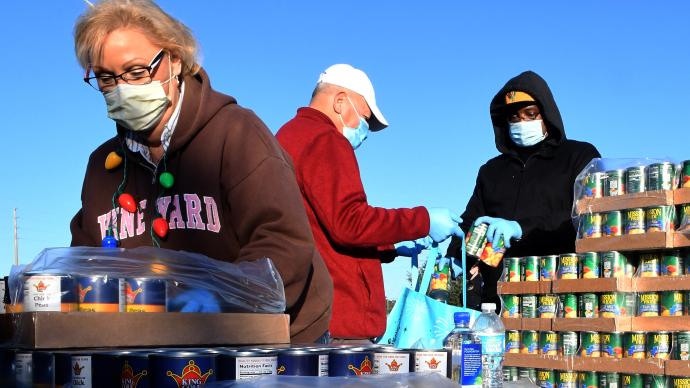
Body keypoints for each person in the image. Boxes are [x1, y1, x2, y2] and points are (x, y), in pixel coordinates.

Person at [69, 0, 332, 343]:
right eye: (106, 78)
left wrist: (224, 299)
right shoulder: (102, 166)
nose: (123, 89)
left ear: (175, 60)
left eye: (136, 72)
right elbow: (84, 261)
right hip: (154, 345)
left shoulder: (237, 134)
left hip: (270, 342)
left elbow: (284, 242)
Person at [276, 64, 463, 342]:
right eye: (363, 119)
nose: (363, 131)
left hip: (304, 314)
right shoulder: (326, 139)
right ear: (340, 101)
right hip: (337, 323)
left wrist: (391, 246)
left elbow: (321, 227)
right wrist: (423, 220)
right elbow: (349, 222)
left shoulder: (287, 136)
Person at [446, 70, 601, 308]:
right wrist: (455, 252)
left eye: (530, 114)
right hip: (498, 298)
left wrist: (522, 228)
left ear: (547, 113)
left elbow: (587, 216)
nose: (522, 123)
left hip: (560, 293)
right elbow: (471, 220)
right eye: (514, 118)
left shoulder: (579, 156)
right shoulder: (491, 171)